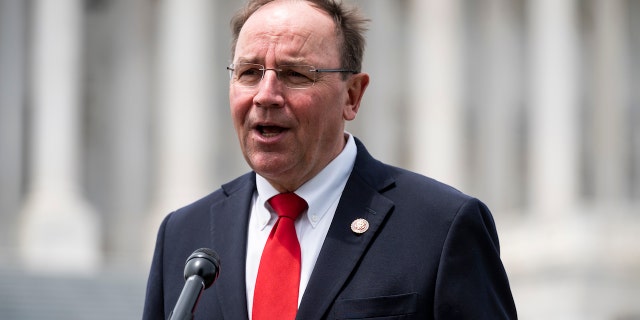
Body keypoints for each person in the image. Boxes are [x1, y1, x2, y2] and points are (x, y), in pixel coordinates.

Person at [142, 0, 517, 319]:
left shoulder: (441, 226)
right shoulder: (182, 235)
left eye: (294, 74)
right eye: (250, 73)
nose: (265, 95)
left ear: (352, 96)